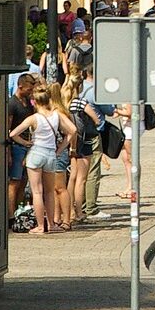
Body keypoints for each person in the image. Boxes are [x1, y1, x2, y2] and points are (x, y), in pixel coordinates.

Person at [8, 86, 76, 235]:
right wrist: (60, 148)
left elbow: (13, 133)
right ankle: (51, 224)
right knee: (50, 192)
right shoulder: (57, 115)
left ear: (34, 102)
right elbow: (73, 130)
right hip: (51, 154)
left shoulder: (33, 118)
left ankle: (40, 226)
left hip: (36, 153)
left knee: (37, 192)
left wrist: (25, 142)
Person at [65, 69, 106, 222]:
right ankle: (79, 211)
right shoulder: (81, 102)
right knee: (82, 179)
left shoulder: (66, 102)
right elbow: (97, 120)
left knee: (72, 178)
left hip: (71, 143)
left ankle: (68, 210)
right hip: (85, 141)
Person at [5, 73, 37, 219]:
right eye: (29, 90)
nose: (30, 93)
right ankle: (11, 215)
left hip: (27, 145)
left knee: (23, 181)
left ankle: (18, 211)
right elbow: (8, 128)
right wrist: (9, 151)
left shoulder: (27, 102)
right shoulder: (12, 104)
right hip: (17, 146)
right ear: (20, 86)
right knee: (14, 182)